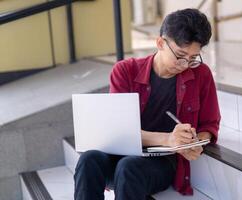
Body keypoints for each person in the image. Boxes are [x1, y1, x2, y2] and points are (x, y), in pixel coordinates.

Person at [74, 8, 221, 200]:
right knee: (88, 159)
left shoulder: (201, 74)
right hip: (120, 154)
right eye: (180, 55)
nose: (185, 64)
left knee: (129, 168)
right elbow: (118, 130)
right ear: (160, 43)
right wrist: (168, 139)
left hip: (162, 162)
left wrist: (195, 142)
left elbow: (210, 124)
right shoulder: (125, 71)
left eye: (192, 58)